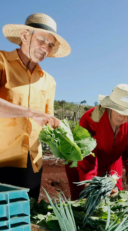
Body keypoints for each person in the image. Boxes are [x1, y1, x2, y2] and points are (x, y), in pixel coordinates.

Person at [0, 13, 71, 201]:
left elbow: (47, 120)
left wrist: (67, 141)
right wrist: (30, 113)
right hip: (2, 160)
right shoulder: (2, 62)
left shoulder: (49, 81)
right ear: (25, 36)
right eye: (42, 40)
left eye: (50, 45)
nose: (45, 48)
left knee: (25, 221)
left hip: (32, 165)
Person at [65, 84, 128, 200]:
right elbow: (86, 157)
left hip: (111, 161)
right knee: (82, 203)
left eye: (127, 114)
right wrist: (90, 184)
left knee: (114, 198)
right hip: (82, 163)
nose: (122, 117)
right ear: (110, 107)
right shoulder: (90, 119)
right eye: (119, 111)